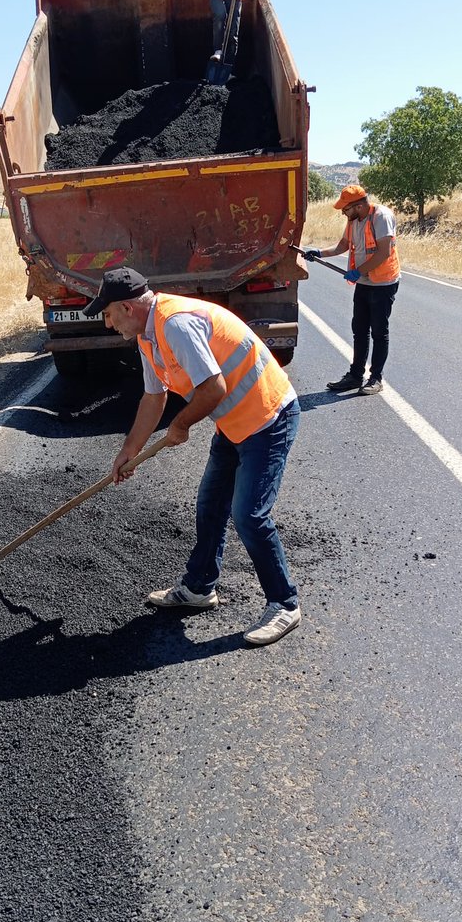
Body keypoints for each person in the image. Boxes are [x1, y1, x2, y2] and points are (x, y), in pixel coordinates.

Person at [82, 266, 301, 647]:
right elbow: (154, 397)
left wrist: (181, 425)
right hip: (234, 424)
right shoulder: (148, 337)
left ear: (128, 308)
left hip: (268, 417)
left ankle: (284, 604)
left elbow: (213, 388)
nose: (107, 324)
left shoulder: (175, 325)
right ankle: (199, 587)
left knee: (249, 515)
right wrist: (128, 451)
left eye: (108, 314)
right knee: (210, 504)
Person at [307, 185, 401, 396]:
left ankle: (375, 378)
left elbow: (383, 252)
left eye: (345, 209)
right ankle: (355, 375)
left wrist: (358, 271)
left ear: (358, 206)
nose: (343, 213)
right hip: (364, 282)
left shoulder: (381, 216)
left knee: (379, 331)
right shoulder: (353, 221)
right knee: (359, 329)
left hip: (383, 283)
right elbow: (343, 245)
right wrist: (319, 253)